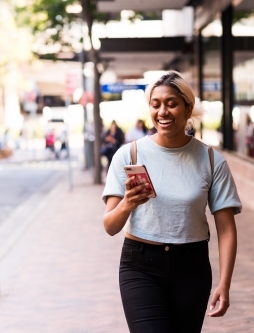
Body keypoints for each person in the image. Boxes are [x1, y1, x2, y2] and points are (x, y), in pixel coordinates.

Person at [101, 71, 242, 333]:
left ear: (188, 108)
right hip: (140, 266)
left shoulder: (211, 160)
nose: (162, 111)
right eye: (156, 105)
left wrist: (225, 283)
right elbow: (110, 225)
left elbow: (226, 229)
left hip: (192, 266)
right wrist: (128, 204)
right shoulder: (128, 155)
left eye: (171, 103)